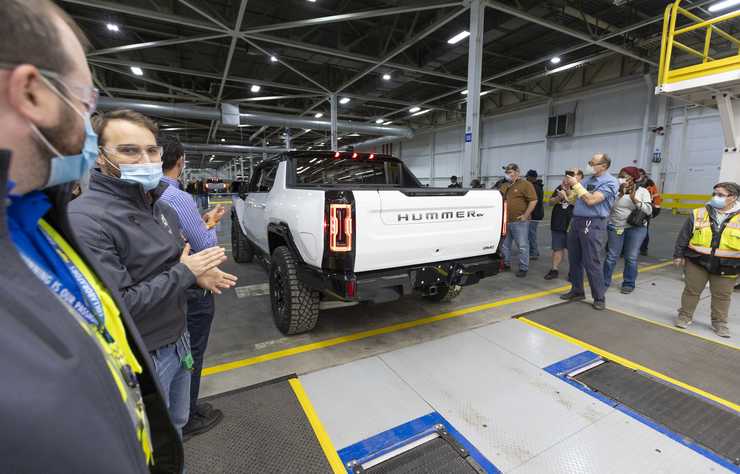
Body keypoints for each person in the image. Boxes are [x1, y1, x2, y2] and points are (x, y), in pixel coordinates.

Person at [0, 1, 183, 472]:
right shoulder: (79, 216)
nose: (85, 122)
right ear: (31, 92)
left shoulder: (36, 217)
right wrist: (185, 272)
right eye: (86, 101)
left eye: (151, 151)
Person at [68, 109, 237, 436]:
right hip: (143, 356)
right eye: (129, 150)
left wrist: (196, 276)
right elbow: (119, 305)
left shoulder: (160, 208)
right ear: (100, 157)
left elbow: (170, 263)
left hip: (178, 340)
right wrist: (186, 272)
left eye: (151, 150)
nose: (145, 159)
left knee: (175, 428)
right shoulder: (87, 219)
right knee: (149, 442)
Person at [159, 134, 231, 440]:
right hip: (190, 284)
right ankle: (185, 417)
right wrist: (209, 227)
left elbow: (179, 235)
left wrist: (199, 223)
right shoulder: (178, 197)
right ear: (180, 161)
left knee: (179, 351)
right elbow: (204, 244)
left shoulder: (150, 194)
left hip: (166, 285)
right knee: (192, 351)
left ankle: (182, 410)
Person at [673, 182, 740, 338]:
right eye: (714, 193)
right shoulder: (699, 213)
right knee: (691, 290)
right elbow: (684, 236)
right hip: (697, 261)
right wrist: (678, 255)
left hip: (728, 265)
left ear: (733, 198)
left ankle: (719, 323)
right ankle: (685, 316)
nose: (715, 197)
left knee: (722, 295)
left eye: (721, 195)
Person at [561, 153, 619, 310]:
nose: (589, 165)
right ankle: (577, 290)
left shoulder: (610, 182)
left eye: (592, 163)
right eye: (590, 162)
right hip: (577, 221)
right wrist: (568, 188)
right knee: (574, 259)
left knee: (592, 261)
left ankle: (599, 297)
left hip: (593, 223)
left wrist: (577, 185)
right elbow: (575, 200)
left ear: (604, 166)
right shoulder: (586, 180)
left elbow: (592, 200)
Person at [602, 167, 652, 294]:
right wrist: (619, 193)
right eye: (620, 176)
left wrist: (634, 198)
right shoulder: (614, 190)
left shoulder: (642, 191)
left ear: (633, 178)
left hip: (636, 228)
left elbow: (649, 210)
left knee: (631, 257)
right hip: (615, 227)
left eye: (625, 176)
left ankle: (629, 283)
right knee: (611, 257)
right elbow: (606, 207)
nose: (622, 179)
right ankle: (604, 281)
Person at [499, 163, 538, 278]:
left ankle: (523, 267)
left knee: (522, 246)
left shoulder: (526, 184)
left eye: (510, 172)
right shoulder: (504, 185)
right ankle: (506, 264)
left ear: (517, 172)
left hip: (519, 222)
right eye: (506, 173)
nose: (507, 175)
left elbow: (533, 200)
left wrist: (525, 215)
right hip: (506, 221)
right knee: (505, 245)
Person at [545, 169, 583, 280]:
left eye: (571, 175)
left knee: (574, 250)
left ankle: (573, 272)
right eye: (567, 176)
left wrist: (567, 194)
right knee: (557, 248)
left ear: (579, 177)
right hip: (558, 223)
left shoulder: (581, 189)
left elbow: (580, 205)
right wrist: (558, 197)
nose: (568, 178)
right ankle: (554, 269)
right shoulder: (560, 187)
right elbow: (550, 202)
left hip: (573, 225)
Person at [638, 168, 662, 256]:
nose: (639, 176)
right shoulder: (633, 182)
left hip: (646, 210)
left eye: (641, 174)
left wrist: (655, 211)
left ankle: (643, 249)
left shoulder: (650, 184)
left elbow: (656, 197)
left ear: (644, 175)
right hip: (634, 209)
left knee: (644, 229)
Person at [525, 170, 544, 261]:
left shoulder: (534, 187)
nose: (526, 179)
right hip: (535, 214)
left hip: (534, 214)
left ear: (532, 177)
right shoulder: (537, 186)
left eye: (528, 177)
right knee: (531, 234)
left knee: (531, 234)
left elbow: (533, 202)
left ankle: (533, 252)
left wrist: (529, 214)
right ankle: (534, 251)